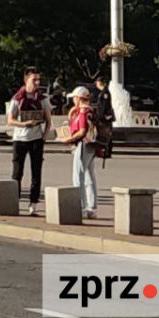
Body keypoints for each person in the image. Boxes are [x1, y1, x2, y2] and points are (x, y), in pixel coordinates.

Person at [7, 67, 51, 216]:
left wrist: (44, 136)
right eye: (34, 79)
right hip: (20, 138)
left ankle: (33, 203)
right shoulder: (17, 98)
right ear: (26, 80)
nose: (37, 82)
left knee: (36, 172)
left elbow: (48, 120)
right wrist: (24, 124)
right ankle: (14, 200)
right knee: (17, 172)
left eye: (39, 79)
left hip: (36, 139)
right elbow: (10, 120)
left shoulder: (43, 98)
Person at [64, 85, 99, 218]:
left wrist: (69, 139)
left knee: (78, 176)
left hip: (83, 145)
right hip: (91, 146)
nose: (73, 101)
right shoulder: (89, 110)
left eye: (74, 98)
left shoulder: (83, 112)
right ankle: (92, 207)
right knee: (90, 176)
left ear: (78, 98)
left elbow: (82, 131)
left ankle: (81, 207)